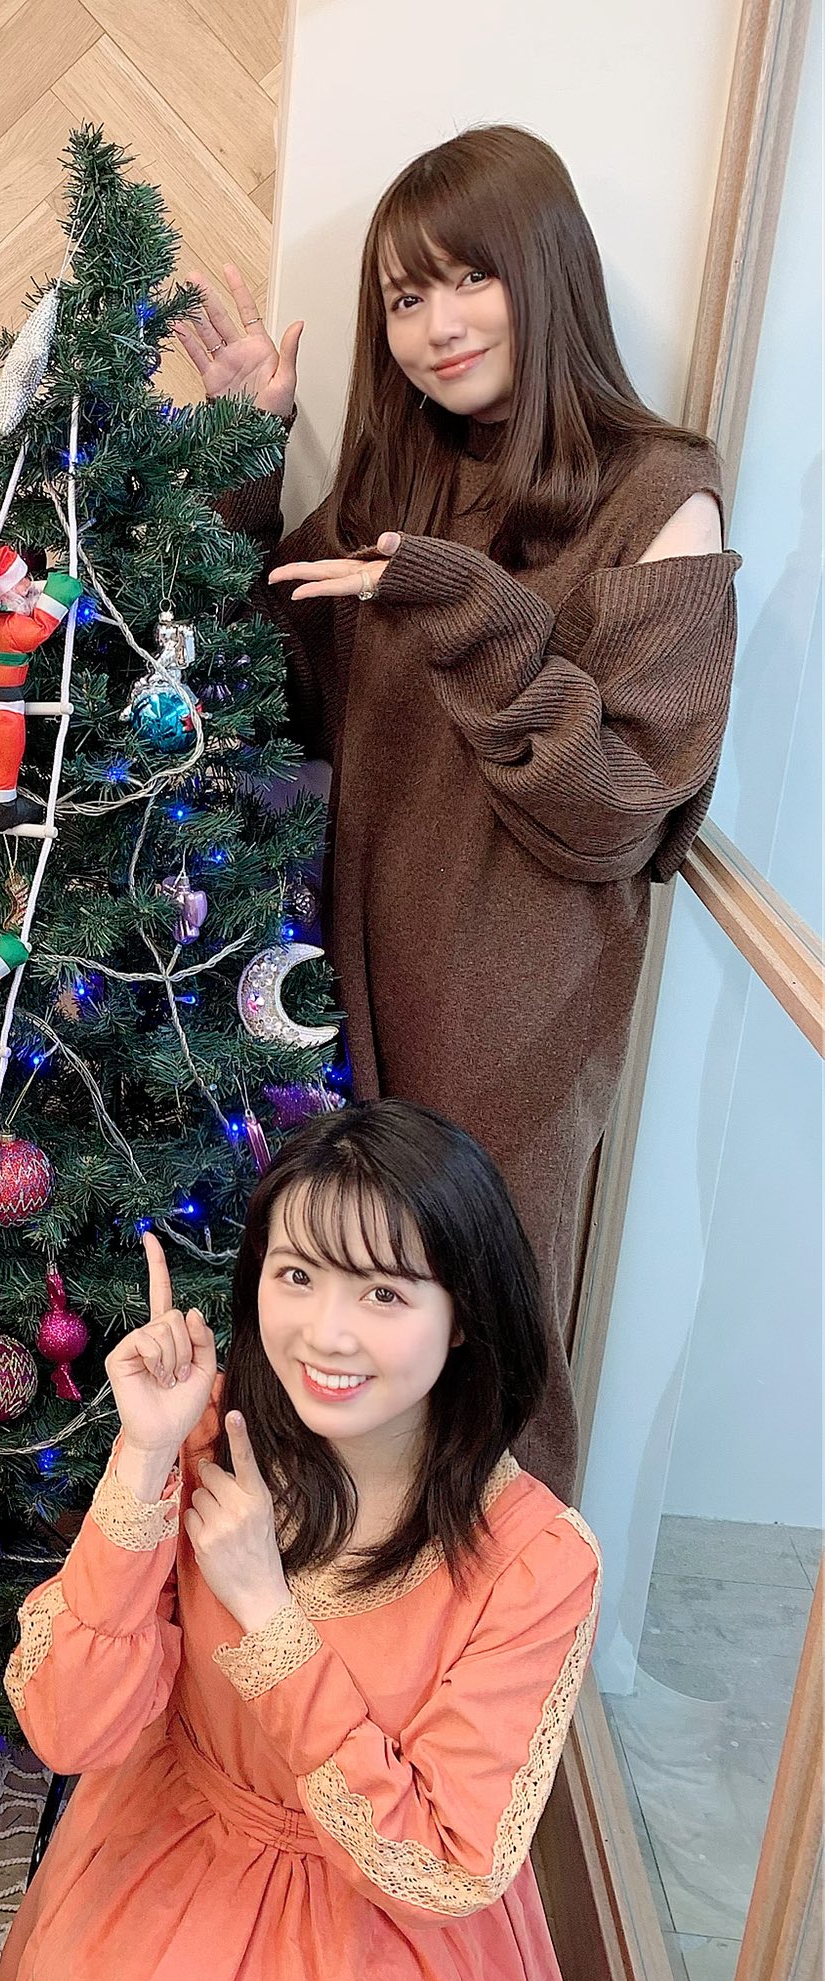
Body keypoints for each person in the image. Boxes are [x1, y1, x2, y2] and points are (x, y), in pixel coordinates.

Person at [175, 127, 739, 1495]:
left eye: (469, 279)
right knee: (344, 1340)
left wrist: (467, 605)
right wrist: (251, 454)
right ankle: (346, 1614)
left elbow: (614, 813)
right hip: (348, 974)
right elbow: (261, 677)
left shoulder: (660, 493)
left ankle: (512, 1629)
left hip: (517, 1014)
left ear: (547, 275)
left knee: (488, 1344)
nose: (438, 326)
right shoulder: (402, 482)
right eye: (404, 297)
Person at [0, 1100, 600, 1981]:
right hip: (165, 1867)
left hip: (383, 1939)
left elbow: (442, 1867)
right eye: (297, 1276)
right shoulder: (202, 1435)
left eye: (384, 1294)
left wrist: (270, 1618)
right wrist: (143, 1455)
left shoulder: (536, 1563)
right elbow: (69, 1728)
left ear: (464, 1316)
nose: (326, 1335)